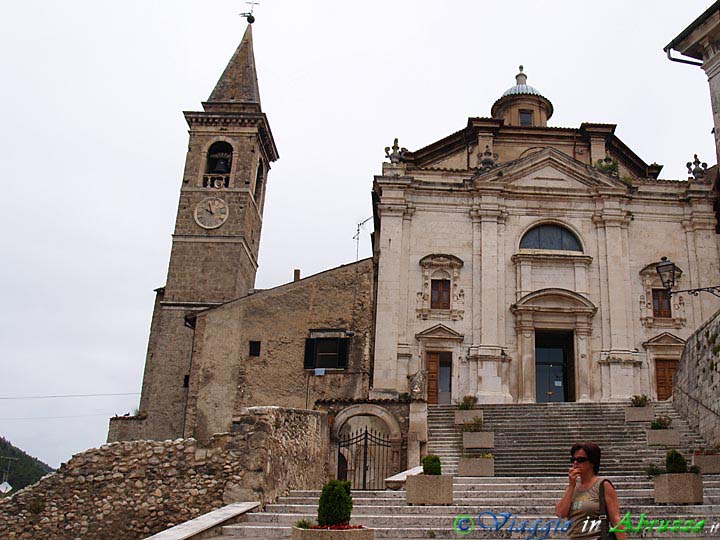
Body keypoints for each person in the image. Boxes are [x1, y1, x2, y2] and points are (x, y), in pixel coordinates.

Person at [555, 442, 627, 540]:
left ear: (592, 462)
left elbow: (616, 520)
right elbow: (560, 513)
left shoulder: (603, 485)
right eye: (573, 459)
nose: (575, 463)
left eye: (580, 460)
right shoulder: (574, 488)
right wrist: (571, 486)